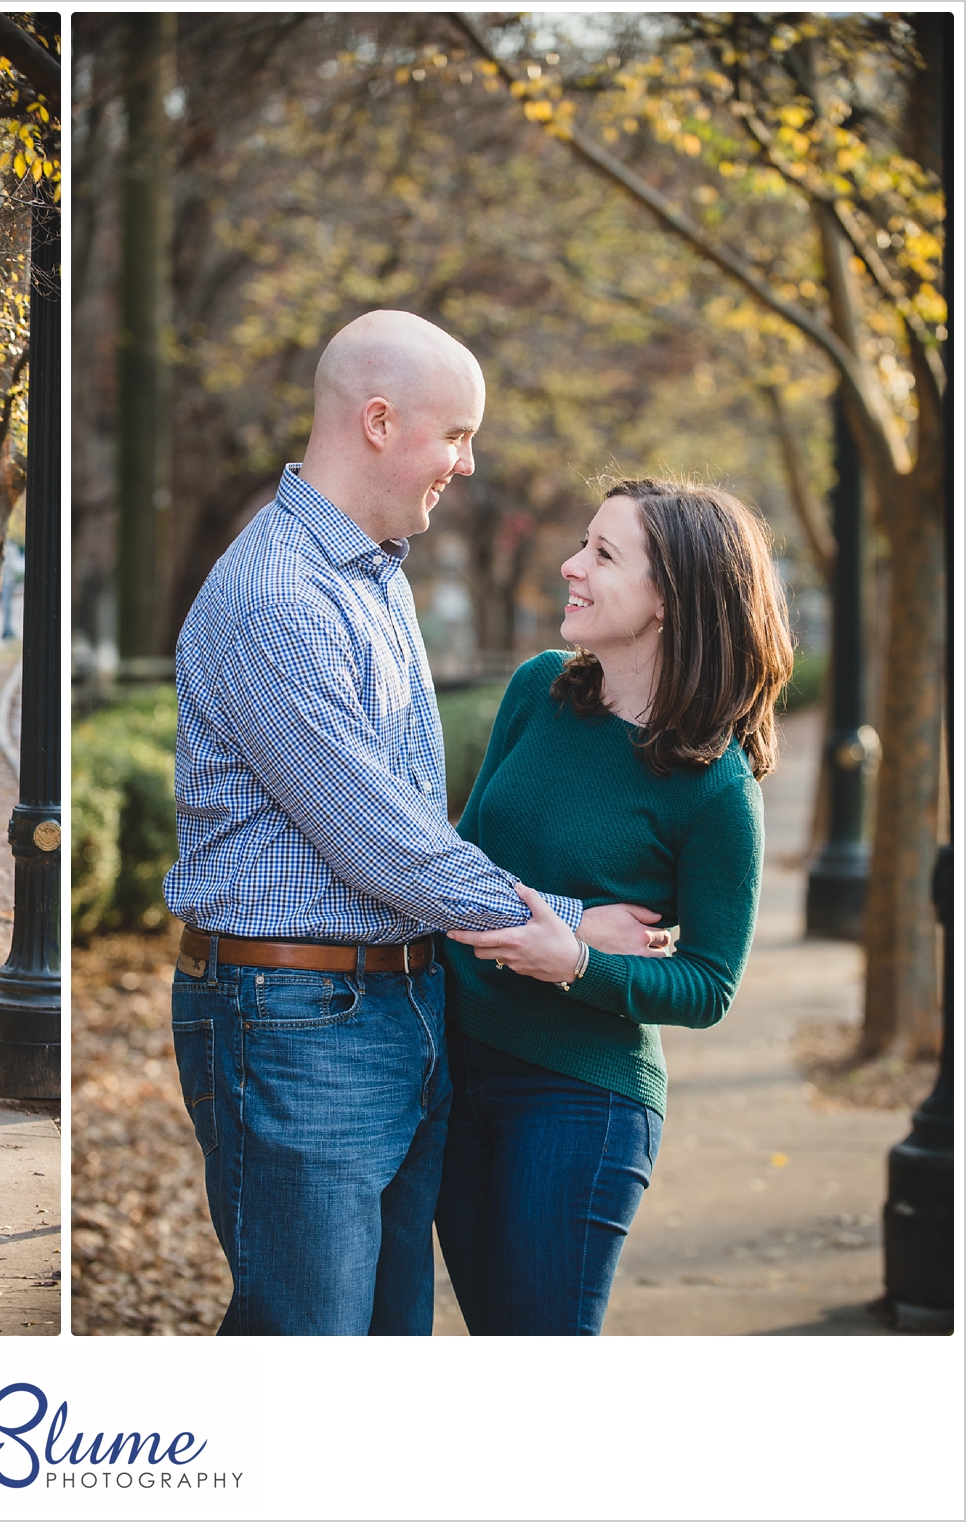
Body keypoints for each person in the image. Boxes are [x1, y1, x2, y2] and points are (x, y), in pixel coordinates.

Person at [164, 310, 663, 1335]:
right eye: (458, 434)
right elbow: (380, 836)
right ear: (381, 423)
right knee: (309, 1342)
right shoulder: (276, 597)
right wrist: (559, 927)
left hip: (394, 1008)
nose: (469, 465)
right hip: (294, 1016)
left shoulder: (370, 574)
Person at [436, 479, 793, 1335]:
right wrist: (565, 920)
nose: (570, 567)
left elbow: (709, 986)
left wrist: (580, 965)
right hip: (448, 1064)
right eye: (581, 544)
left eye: (602, 554)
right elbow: (460, 863)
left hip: (577, 1098)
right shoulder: (536, 692)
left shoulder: (715, 791)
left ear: (671, 599)